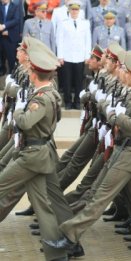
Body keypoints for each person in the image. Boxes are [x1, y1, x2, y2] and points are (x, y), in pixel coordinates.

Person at [43, 51, 131, 259]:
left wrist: (115, 115)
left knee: (99, 198)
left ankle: (69, 236)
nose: (123, 73)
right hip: (129, 152)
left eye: (126, 71)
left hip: (130, 153)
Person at [0, 45, 69, 261]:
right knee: (42, 205)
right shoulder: (49, 93)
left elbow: (25, 122)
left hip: (32, 155)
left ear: (34, 74)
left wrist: (20, 110)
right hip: (38, 153)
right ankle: (57, 251)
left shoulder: (41, 98)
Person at [56, 0, 91, 110]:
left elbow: (88, 40)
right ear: (69, 10)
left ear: (79, 10)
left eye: (76, 9)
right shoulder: (63, 22)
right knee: (67, 80)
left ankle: (77, 101)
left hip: (80, 56)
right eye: (73, 9)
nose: (74, 11)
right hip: (66, 56)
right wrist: (60, 56)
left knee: (79, 81)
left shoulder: (85, 23)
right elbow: (59, 40)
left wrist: (87, 56)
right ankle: (67, 102)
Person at [0, 0, 22, 74]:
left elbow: (16, 20)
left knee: (11, 57)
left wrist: (4, 27)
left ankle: (12, 73)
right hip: (1, 36)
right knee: (1, 55)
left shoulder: (15, 6)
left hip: (10, 35)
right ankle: (2, 69)